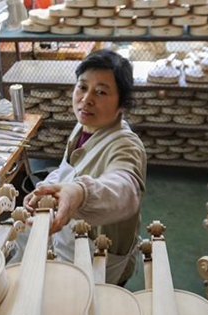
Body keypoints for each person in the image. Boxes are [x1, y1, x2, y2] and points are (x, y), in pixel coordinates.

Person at [24, 49, 146, 286]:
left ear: (122, 103)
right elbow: (67, 169)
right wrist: (46, 188)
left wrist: (81, 193)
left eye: (101, 92)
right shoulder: (84, 127)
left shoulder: (126, 145)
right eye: (82, 87)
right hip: (72, 242)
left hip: (101, 256)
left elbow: (125, 188)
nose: (86, 99)